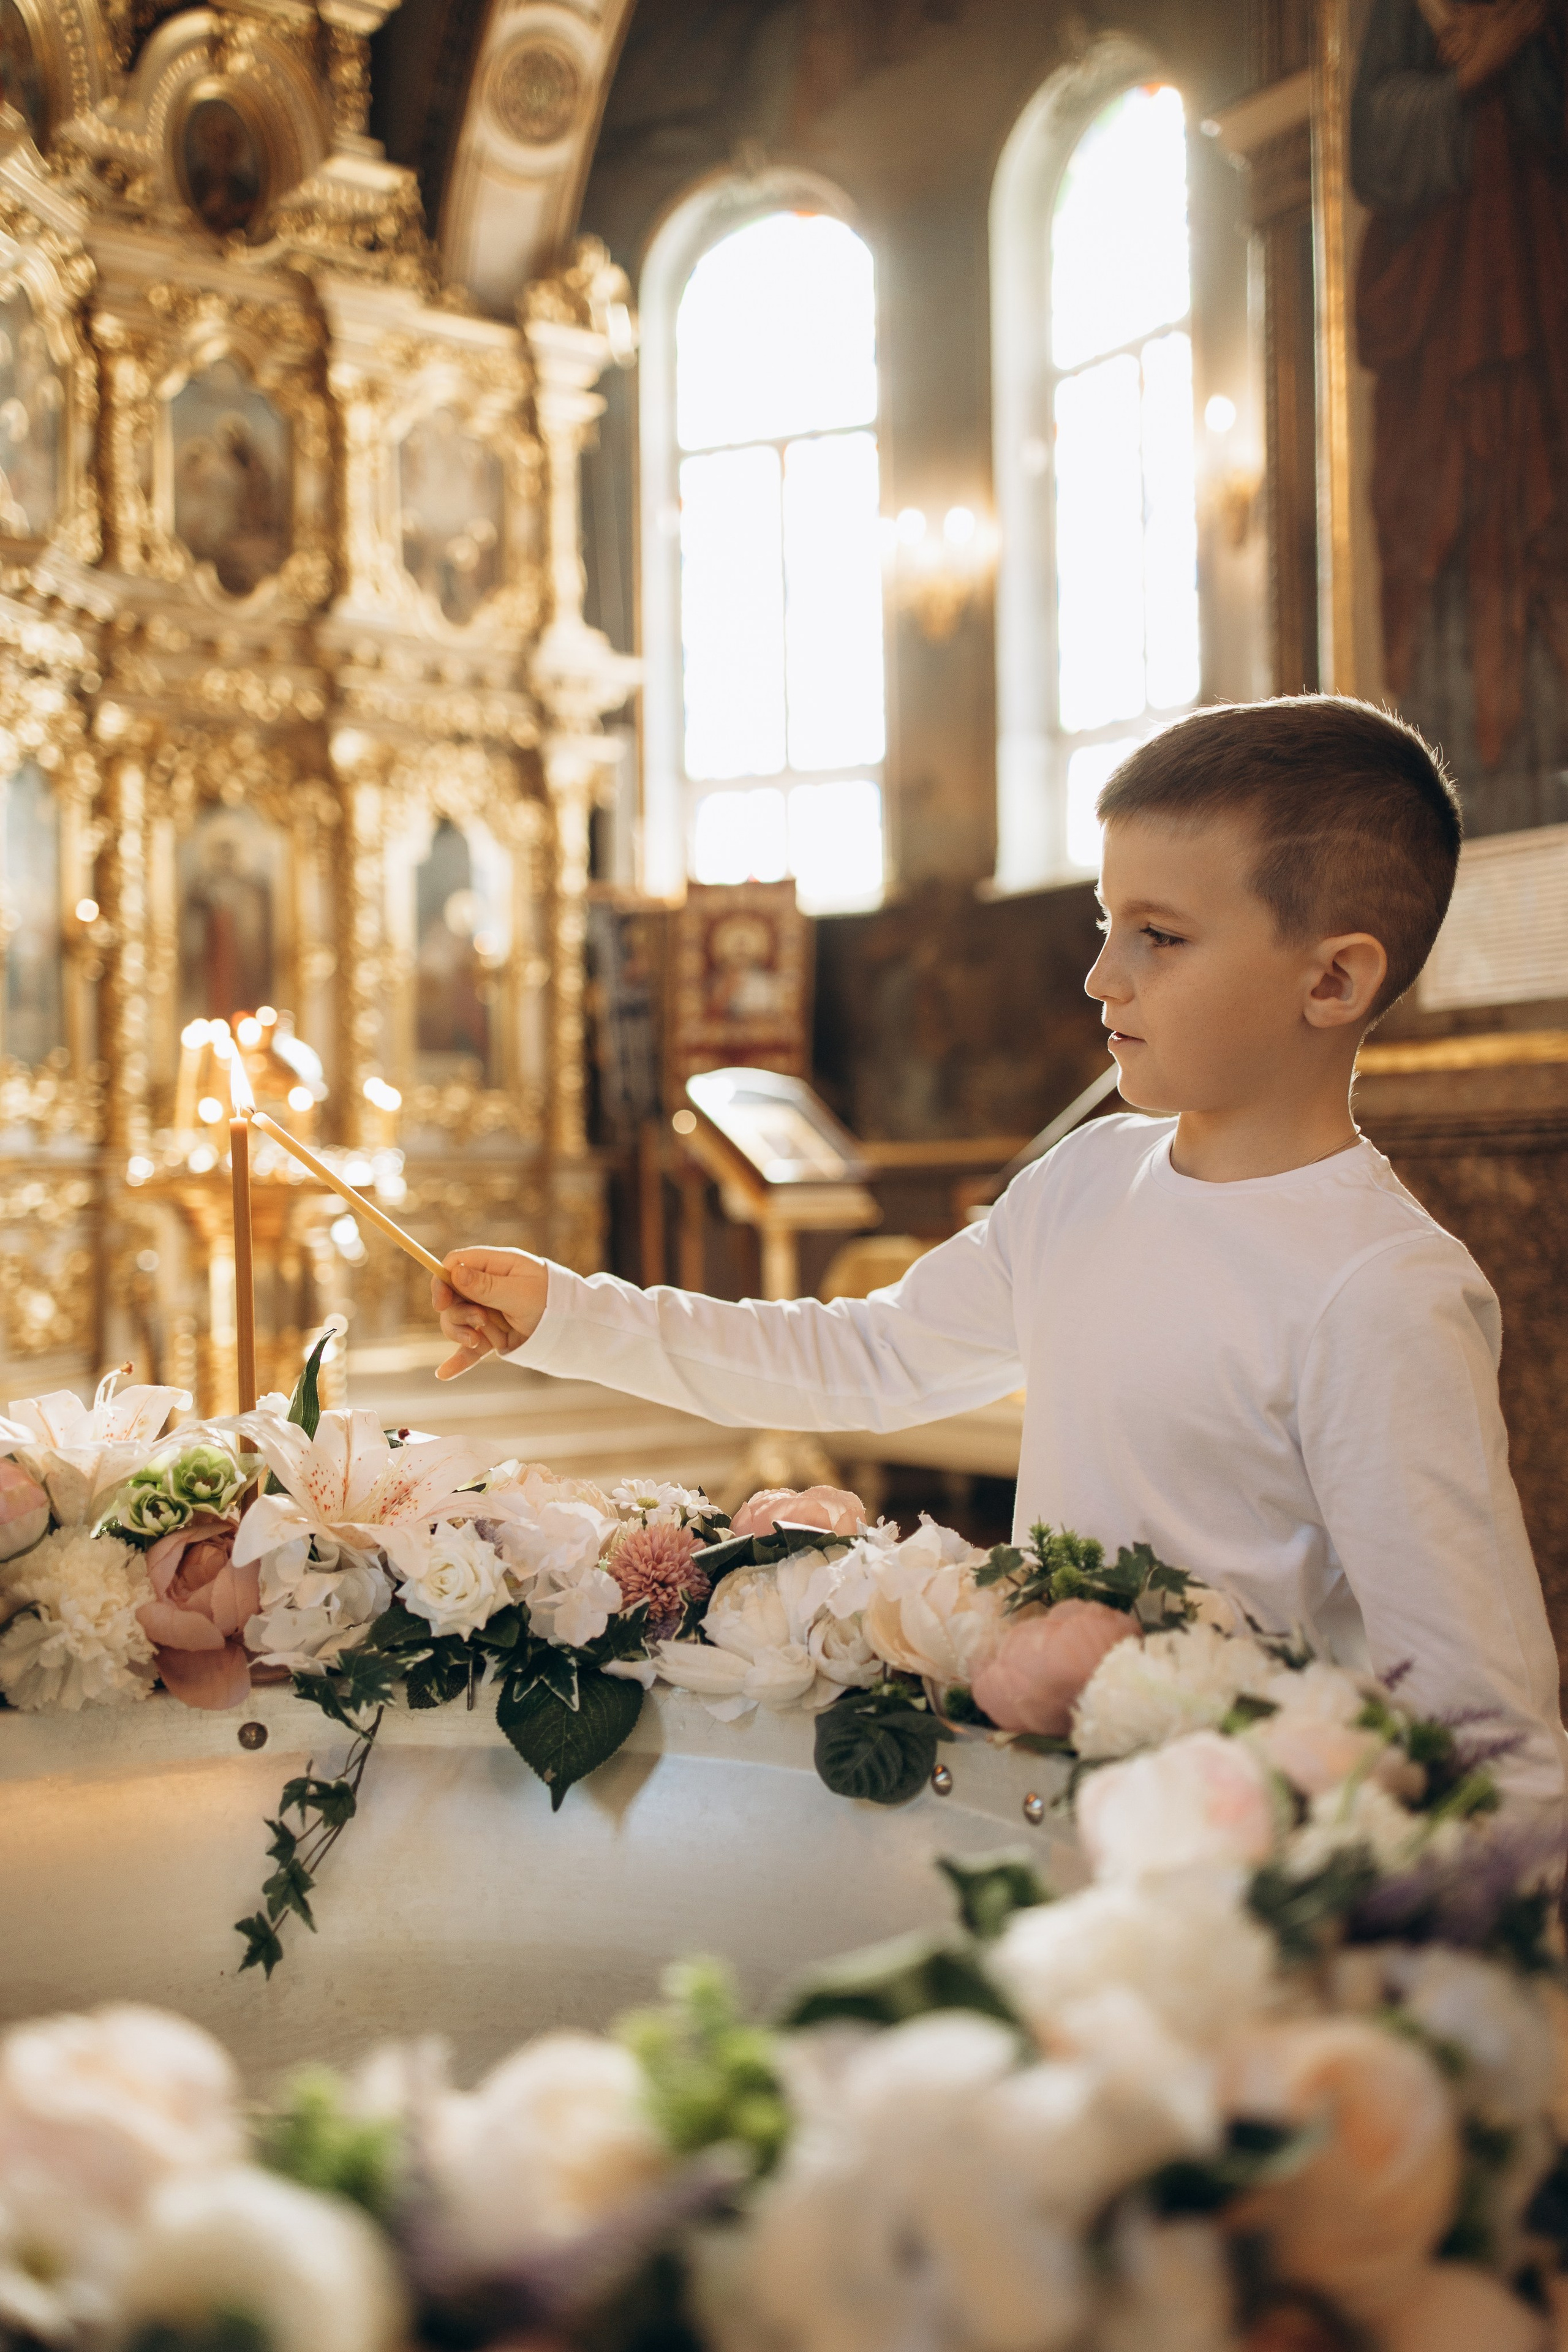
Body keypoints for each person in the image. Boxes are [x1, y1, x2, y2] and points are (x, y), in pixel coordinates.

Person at [432, 696, 1568, 1829]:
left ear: (1332, 982)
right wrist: (571, 1315)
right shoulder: (1085, 1182)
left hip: (1244, 1859)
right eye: (1105, 925)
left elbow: (1487, 1728)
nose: (1101, 980)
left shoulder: (1379, 1290)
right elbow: (866, 1358)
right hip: (1034, 1802)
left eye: (1159, 937)